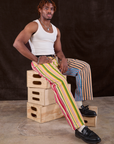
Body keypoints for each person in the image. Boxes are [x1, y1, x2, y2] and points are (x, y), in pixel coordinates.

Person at [13, 0, 101, 143]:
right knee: (60, 81)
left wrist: (64, 59)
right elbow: (17, 43)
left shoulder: (56, 30)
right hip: (42, 63)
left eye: (52, 9)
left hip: (55, 61)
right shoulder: (33, 25)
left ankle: (79, 106)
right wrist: (36, 59)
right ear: (40, 9)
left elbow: (58, 50)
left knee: (84, 67)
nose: (50, 11)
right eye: (47, 8)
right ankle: (80, 128)